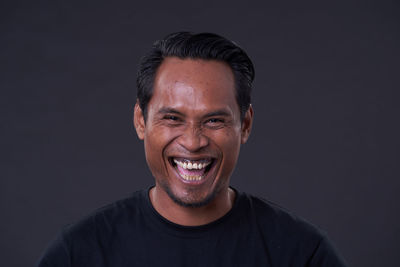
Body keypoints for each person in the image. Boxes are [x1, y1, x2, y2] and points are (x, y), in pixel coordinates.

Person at [37, 32, 347, 266]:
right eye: (173, 118)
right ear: (140, 121)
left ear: (246, 125)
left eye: (214, 120)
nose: (193, 141)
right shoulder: (79, 253)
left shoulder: (303, 253)